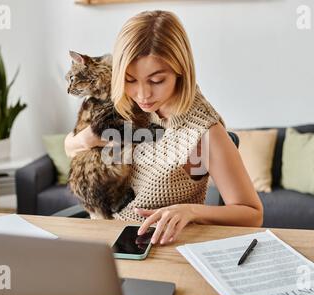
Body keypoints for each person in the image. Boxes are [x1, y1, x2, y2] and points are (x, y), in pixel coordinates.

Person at [65, 10, 263, 245]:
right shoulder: (124, 104)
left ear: (181, 71)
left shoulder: (202, 131)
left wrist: (191, 212)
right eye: (129, 80)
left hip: (155, 248)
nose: (143, 94)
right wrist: (85, 140)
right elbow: (69, 148)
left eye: (157, 80)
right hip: (103, 236)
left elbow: (252, 214)